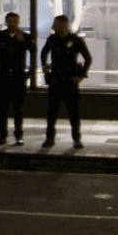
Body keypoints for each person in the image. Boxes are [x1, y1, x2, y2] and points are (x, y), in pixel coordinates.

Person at [40, 15, 92, 149]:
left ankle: (76, 139)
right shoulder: (52, 39)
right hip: (55, 80)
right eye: (55, 26)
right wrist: (44, 64)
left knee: (73, 112)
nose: (56, 28)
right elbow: (44, 51)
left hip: (70, 81)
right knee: (51, 112)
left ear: (65, 25)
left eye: (59, 26)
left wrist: (81, 75)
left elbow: (88, 59)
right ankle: (49, 139)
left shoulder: (76, 40)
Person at [0, 12, 34, 146]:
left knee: (18, 109)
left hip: (18, 77)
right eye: (9, 21)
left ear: (18, 22)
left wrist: (30, 71)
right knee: (2, 109)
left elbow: (34, 51)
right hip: (3, 78)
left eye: (15, 21)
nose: (12, 23)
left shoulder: (24, 36)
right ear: (6, 22)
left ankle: (19, 136)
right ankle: (2, 136)